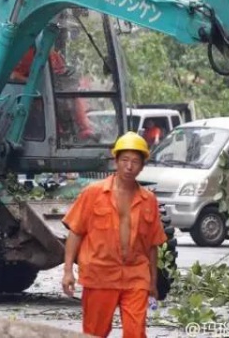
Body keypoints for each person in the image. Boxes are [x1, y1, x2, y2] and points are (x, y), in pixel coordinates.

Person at [61, 131, 167, 338]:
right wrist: (67, 272)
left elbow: (152, 245)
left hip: (136, 276)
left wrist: (152, 283)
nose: (129, 166)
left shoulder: (149, 200)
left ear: (142, 165)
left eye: (135, 162)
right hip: (100, 275)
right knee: (95, 333)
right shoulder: (93, 193)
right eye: (125, 160)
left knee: (136, 332)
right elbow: (75, 233)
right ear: (116, 161)